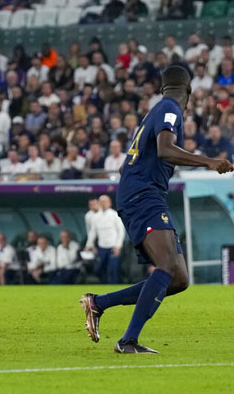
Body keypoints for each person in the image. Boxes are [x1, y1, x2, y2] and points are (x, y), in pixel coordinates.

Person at [81, 66, 233, 354]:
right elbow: (165, 149)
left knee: (178, 278)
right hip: (142, 194)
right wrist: (209, 161)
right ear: (188, 91)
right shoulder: (170, 109)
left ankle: (98, 304)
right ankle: (128, 341)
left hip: (144, 193)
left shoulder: (160, 108)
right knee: (166, 266)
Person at [84, 195, 124, 284]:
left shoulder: (115, 215)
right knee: (98, 268)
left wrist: (118, 246)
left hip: (113, 247)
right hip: (101, 247)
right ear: (99, 203)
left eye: (105, 201)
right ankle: (104, 284)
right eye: (102, 202)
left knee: (113, 269)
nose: (104, 204)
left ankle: (115, 288)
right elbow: (92, 233)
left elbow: (121, 231)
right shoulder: (95, 217)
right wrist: (88, 245)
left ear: (110, 203)